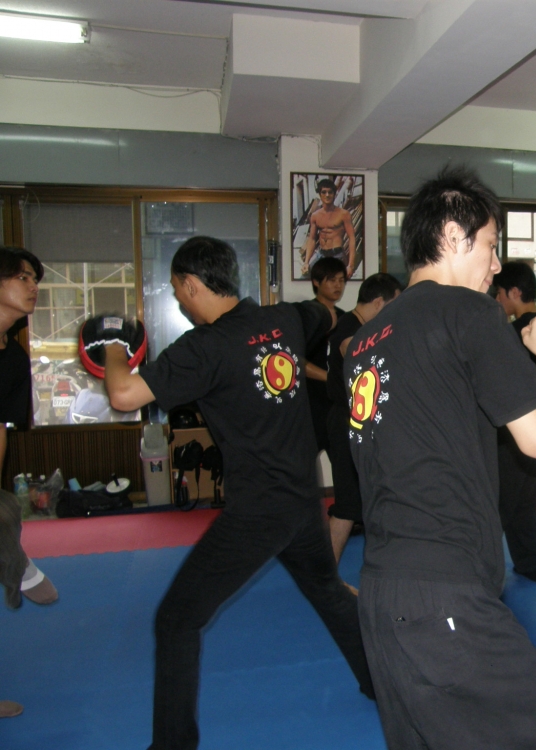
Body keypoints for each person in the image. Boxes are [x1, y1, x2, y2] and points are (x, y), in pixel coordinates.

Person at [345, 168, 536, 749]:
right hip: (444, 597)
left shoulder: (363, 342)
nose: (495, 265)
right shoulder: (467, 311)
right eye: (490, 245)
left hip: (382, 594)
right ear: (454, 237)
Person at [101, 236, 373, 750]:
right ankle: (381, 683)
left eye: (178, 290)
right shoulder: (285, 318)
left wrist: (113, 349)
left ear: (191, 284)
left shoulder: (203, 347)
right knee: (328, 591)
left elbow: (123, 393)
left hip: (258, 513)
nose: (179, 300)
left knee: (176, 619)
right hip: (303, 500)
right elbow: (326, 315)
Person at [0, 247, 59, 721]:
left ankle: (13, 557)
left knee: (5, 509)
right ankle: (17, 564)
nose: (33, 285)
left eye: (35, 278)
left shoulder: (13, 360)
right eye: (22, 276)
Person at [325, 273, 402, 562]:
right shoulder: (349, 326)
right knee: (347, 506)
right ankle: (325, 578)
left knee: (374, 498)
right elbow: (350, 349)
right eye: (393, 305)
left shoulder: (359, 325)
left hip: (360, 423)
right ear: (379, 302)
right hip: (346, 423)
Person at [492, 261, 536, 582]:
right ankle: (530, 564)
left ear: (514, 292)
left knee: (499, 505)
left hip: (509, 433)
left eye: (500, 293)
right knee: (525, 501)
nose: (497, 299)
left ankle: (481, 575)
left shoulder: (514, 334)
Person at [303, 257, 347, 465]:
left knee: (343, 465)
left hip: (336, 403)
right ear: (316, 282)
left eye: (341, 280)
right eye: (331, 280)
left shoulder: (345, 318)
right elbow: (294, 360)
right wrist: (329, 377)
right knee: (305, 464)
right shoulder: (306, 316)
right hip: (311, 403)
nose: (338, 286)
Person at [302, 178, 357, 278]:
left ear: (334, 194)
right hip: (321, 254)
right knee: (305, 278)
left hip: (337, 255)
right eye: (324, 192)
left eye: (330, 192)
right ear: (320, 195)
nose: (327, 195)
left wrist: (350, 265)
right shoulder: (315, 216)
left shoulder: (343, 214)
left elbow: (352, 238)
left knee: (333, 282)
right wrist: (306, 262)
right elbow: (312, 239)